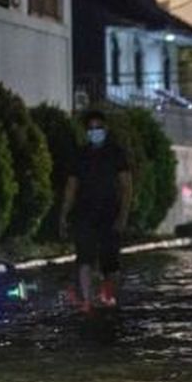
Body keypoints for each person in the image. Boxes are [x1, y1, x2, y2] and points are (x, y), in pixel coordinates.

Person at [60, 110, 133, 310]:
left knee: (110, 262)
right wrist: (64, 214)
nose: (95, 132)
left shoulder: (116, 153)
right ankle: (86, 301)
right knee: (84, 257)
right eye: (90, 129)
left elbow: (126, 186)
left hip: (109, 213)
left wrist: (123, 216)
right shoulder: (80, 155)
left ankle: (110, 299)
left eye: (98, 128)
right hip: (84, 213)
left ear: (105, 129)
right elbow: (71, 186)